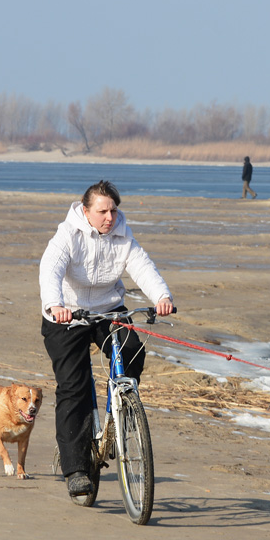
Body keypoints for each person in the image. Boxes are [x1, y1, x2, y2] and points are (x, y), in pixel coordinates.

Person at [39, 180, 175, 496]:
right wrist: (55, 305)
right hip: (68, 316)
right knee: (74, 389)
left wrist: (161, 296)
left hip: (108, 311)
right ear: (86, 212)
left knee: (132, 349)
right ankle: (75, 470)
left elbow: (143, 268)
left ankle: (123, 407)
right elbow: (51, 270)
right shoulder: (67, 236)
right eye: (102, 211)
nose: (109, 217)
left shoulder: (123, 236)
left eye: (113, 210)